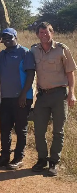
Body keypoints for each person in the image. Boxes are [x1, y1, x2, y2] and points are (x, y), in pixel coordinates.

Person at [30, 22, 76, 177]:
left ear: (52, 33)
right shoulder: (33, 50)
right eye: (41, 32)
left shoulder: (62, 49)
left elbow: (70, 72)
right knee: (39, 130)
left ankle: (54, 162)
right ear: (37, 34)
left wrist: (72, 93)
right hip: (42, 96)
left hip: (59, 95)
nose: (44, 35)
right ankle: (42, 159)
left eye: (47, 32)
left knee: (58, 131)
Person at [0, 28, 35, 170]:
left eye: (9, 37)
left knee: (20, 129)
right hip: (5, 98)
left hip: (21, 98)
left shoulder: (25, 52)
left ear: (16, 37)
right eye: (4, 38)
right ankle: (4, 157)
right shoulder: (1, 55)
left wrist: (23, 95)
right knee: (5, 128)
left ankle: (18, 158)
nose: (7, 40)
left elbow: (30, 75)